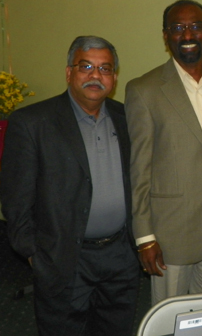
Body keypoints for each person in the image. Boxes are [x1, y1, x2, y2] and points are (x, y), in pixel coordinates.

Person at [0, 36, 140, 336]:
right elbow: (15, 199)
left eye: (105, 69)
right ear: (68, 72)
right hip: (63, 258)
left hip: (120, 256)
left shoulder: (126, 117)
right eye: (85, 66)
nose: (95, 75)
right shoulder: (32, 122)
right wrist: (34, 254)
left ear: (114, 78)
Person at [125, 0, 202, 305]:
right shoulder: (144, 89)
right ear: (166, 35)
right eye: (178, 28)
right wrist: (144, 237)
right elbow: (139, 168)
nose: (188, 34)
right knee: (169, 318)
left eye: (196, 26)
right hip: (170, 236)